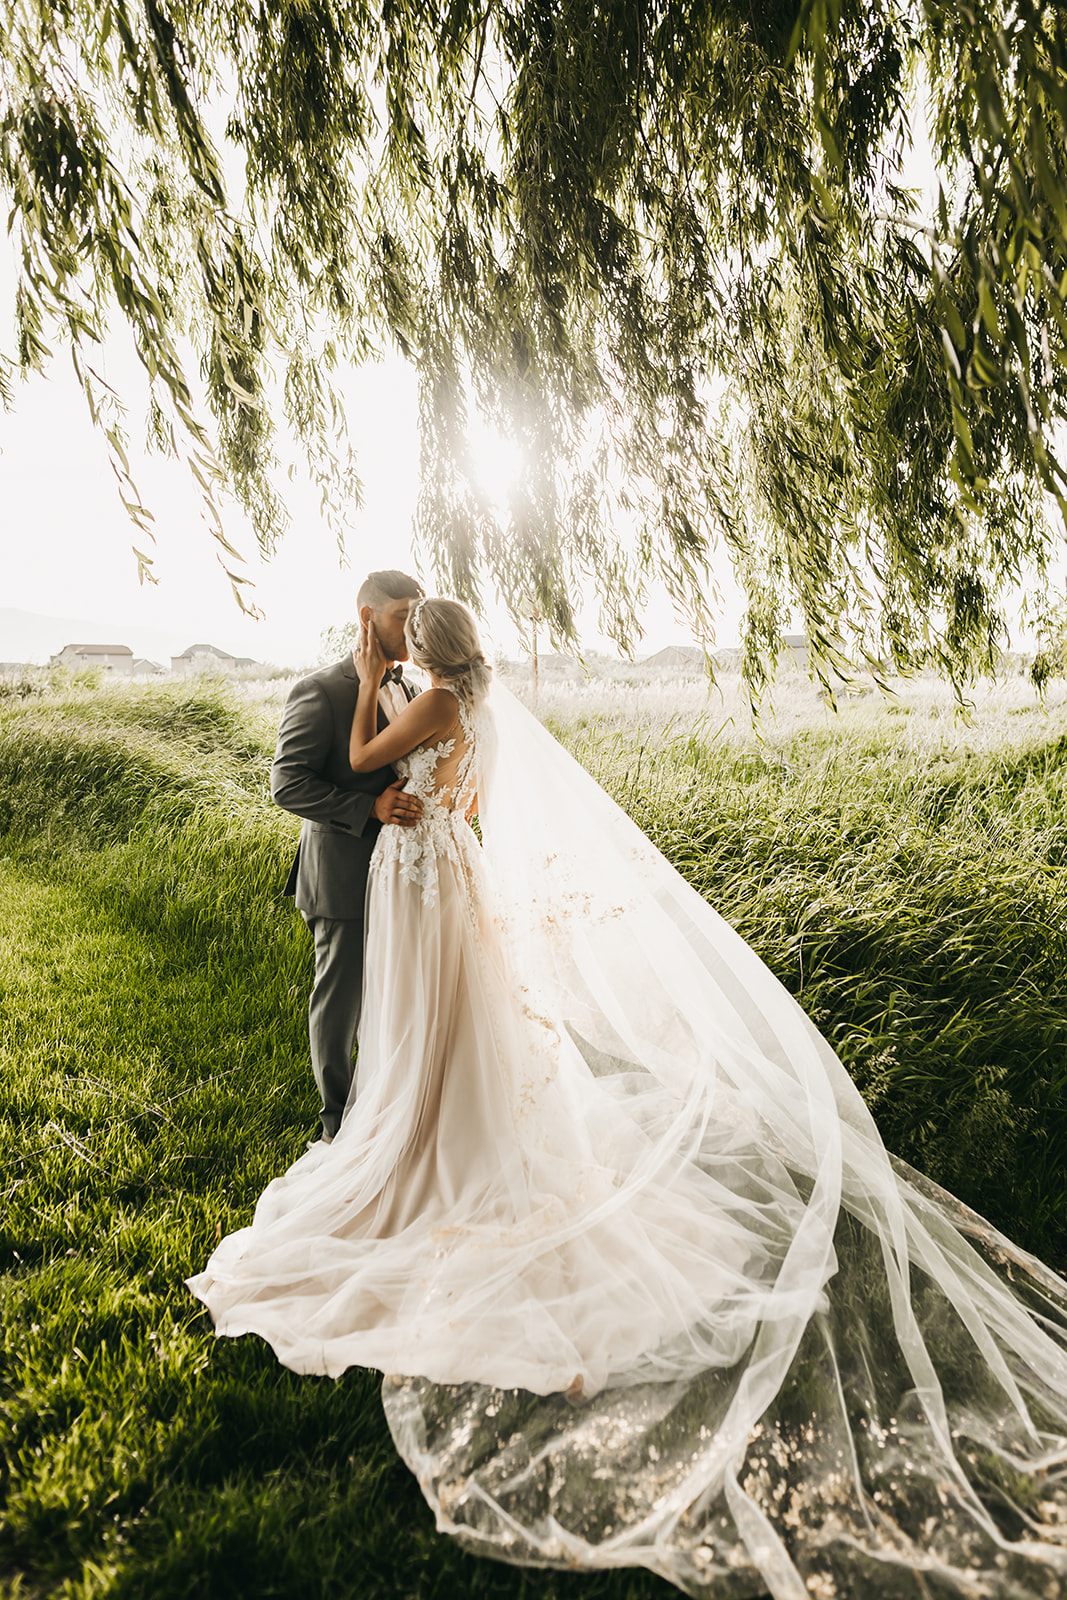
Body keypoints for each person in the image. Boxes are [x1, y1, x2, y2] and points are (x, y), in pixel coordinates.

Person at [190, 599, 1067, 1600]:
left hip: (422, 869)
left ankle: (423, 1140)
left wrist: (363, 668)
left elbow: (356, 757)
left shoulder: (428, 703)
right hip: (449, 867)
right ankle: (438, 1120)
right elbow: (457, 800)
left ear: (422, 650)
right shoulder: (472, 702)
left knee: (426, 1023)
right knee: (455, 1026)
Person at [269, 569, 424, 1142]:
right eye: (404, 614)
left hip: (404, 874)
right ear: (368, 619)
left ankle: (387, 1104)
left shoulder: (410, 686)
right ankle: (336, 1123)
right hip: (341, 874)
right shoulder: (322, 689)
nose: (415, 625)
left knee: (396, 994)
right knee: (340, 1004)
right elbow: (287, 784)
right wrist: (370, 809)